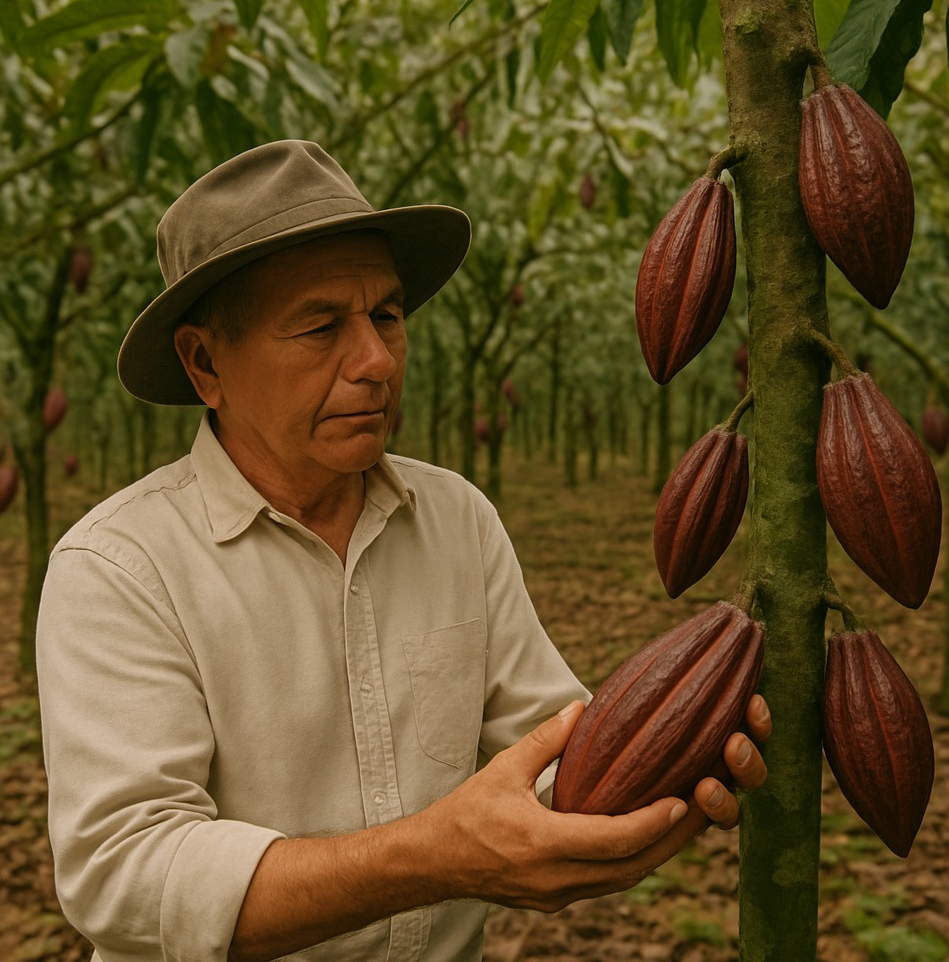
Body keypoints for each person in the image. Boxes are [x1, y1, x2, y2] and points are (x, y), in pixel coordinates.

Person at [36, 140, 770, 962]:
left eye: (386, 315)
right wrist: (433, 855)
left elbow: (551, 752)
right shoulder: (119, 567)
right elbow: (124, 871)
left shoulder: (456, 518)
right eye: (320, 326)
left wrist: (669, 757)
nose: (378, 361)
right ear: (206, 363)